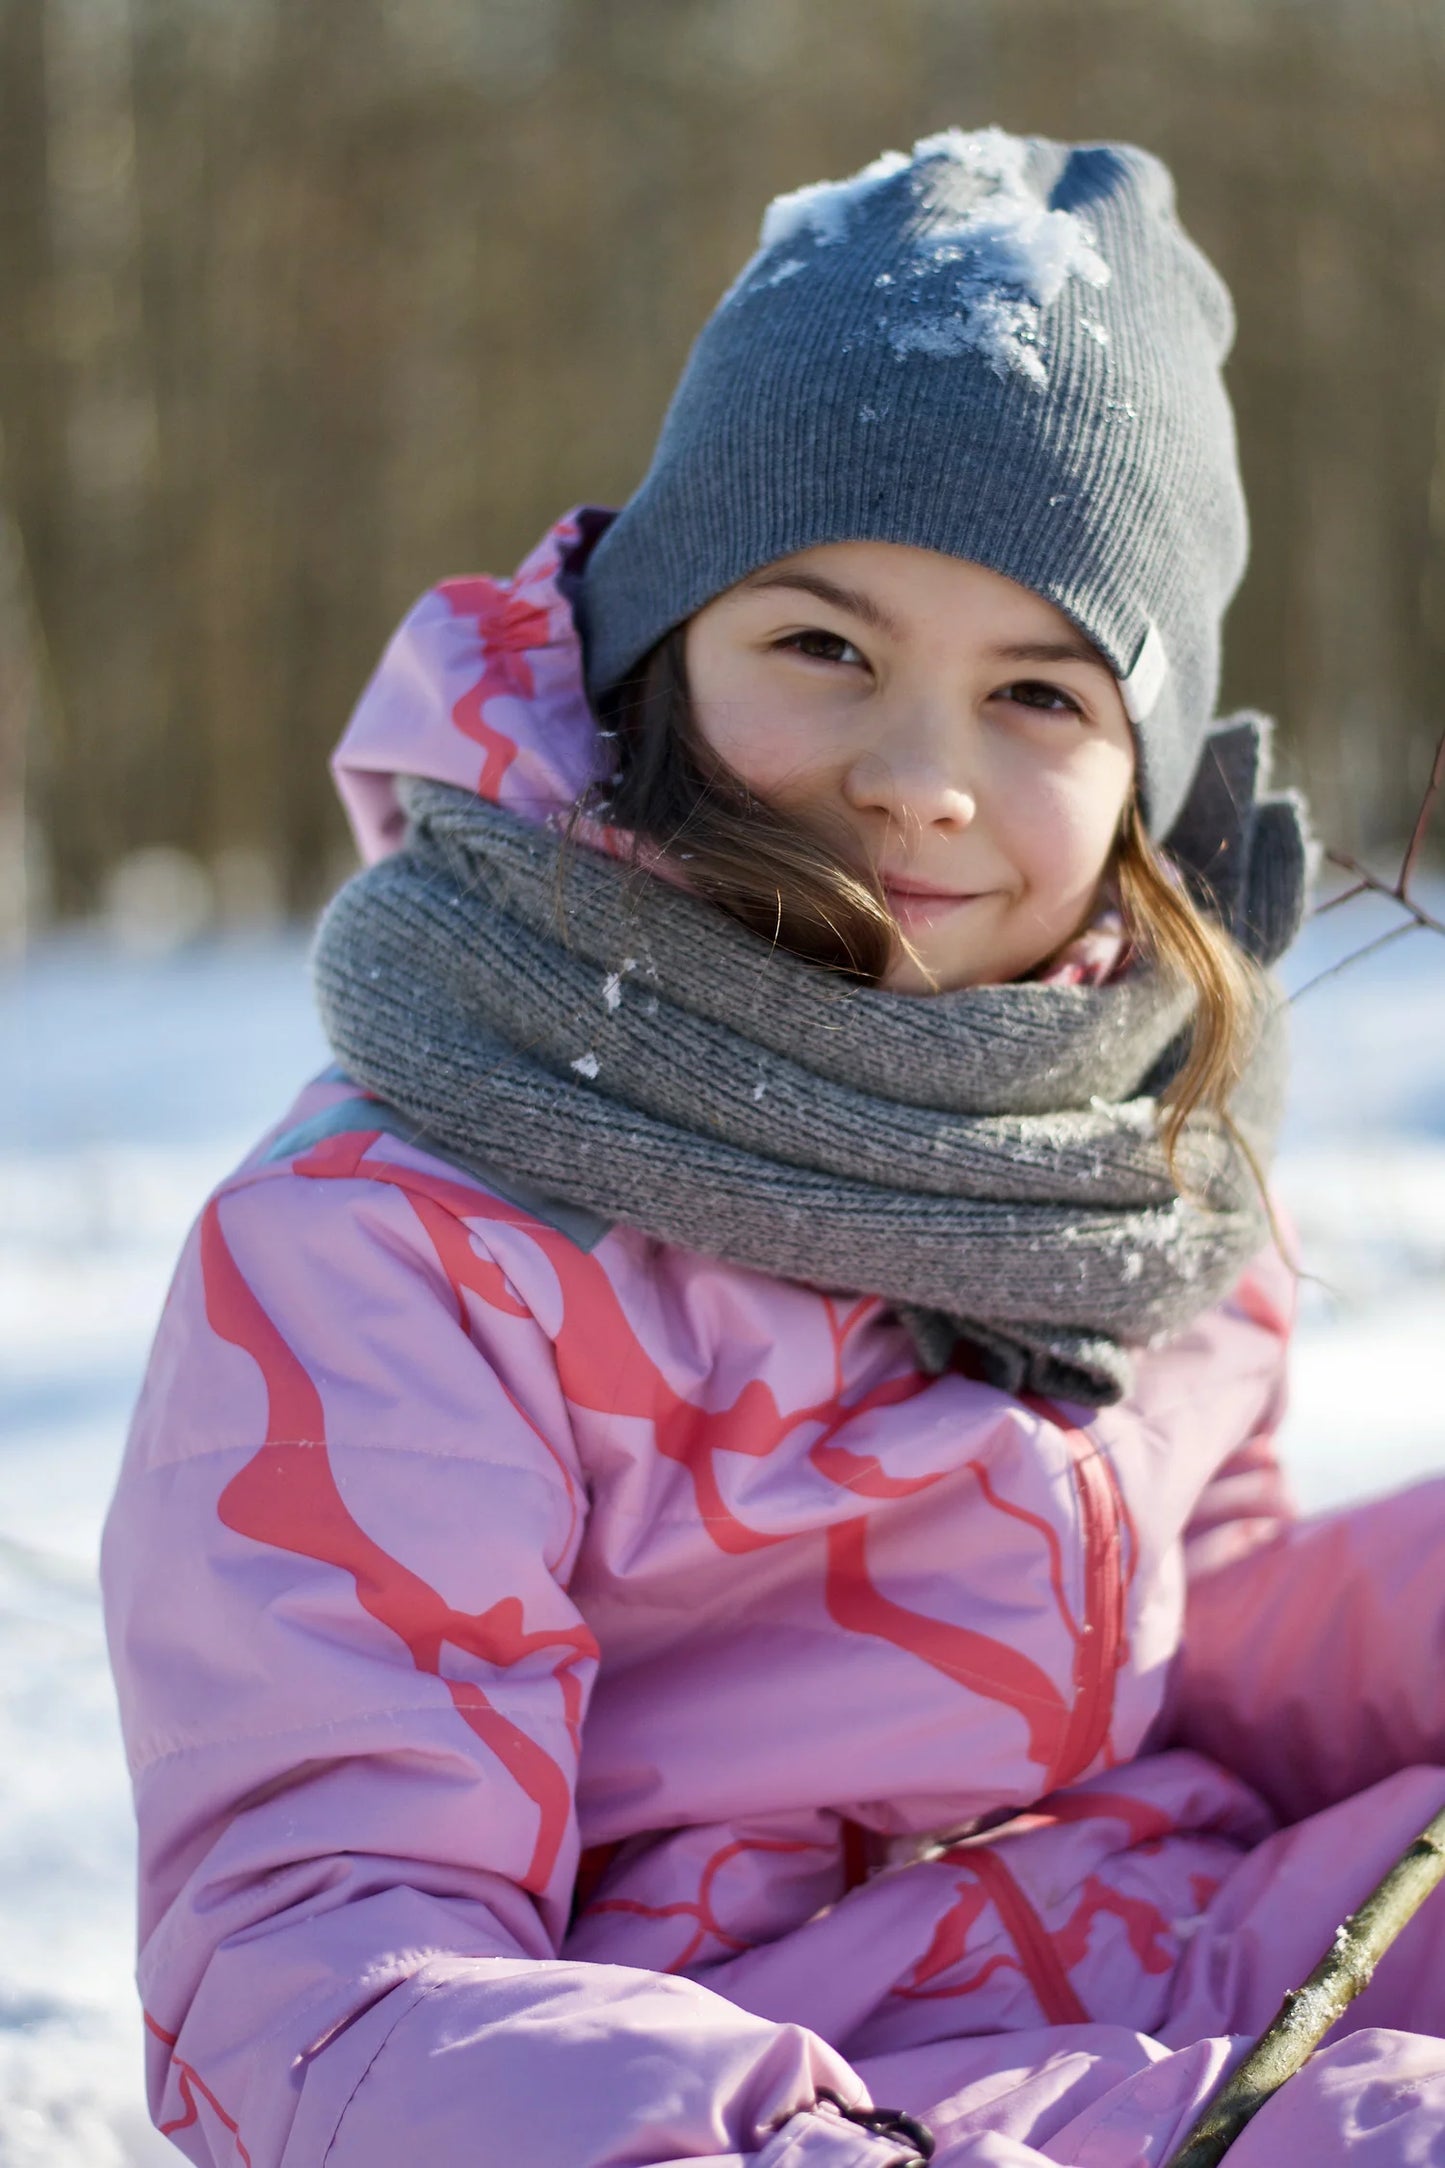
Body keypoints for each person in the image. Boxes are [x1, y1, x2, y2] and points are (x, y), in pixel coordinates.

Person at [102, 129, 1445, 2168]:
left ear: (1142, 781)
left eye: (1037, 693)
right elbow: (319, 1972)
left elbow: (1189, 1643)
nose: (921, 782)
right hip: (753, 2091)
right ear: (662, 654)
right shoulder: (403, 1247)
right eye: (824, 646)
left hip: (1200, 1955)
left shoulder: (1116, 1162)